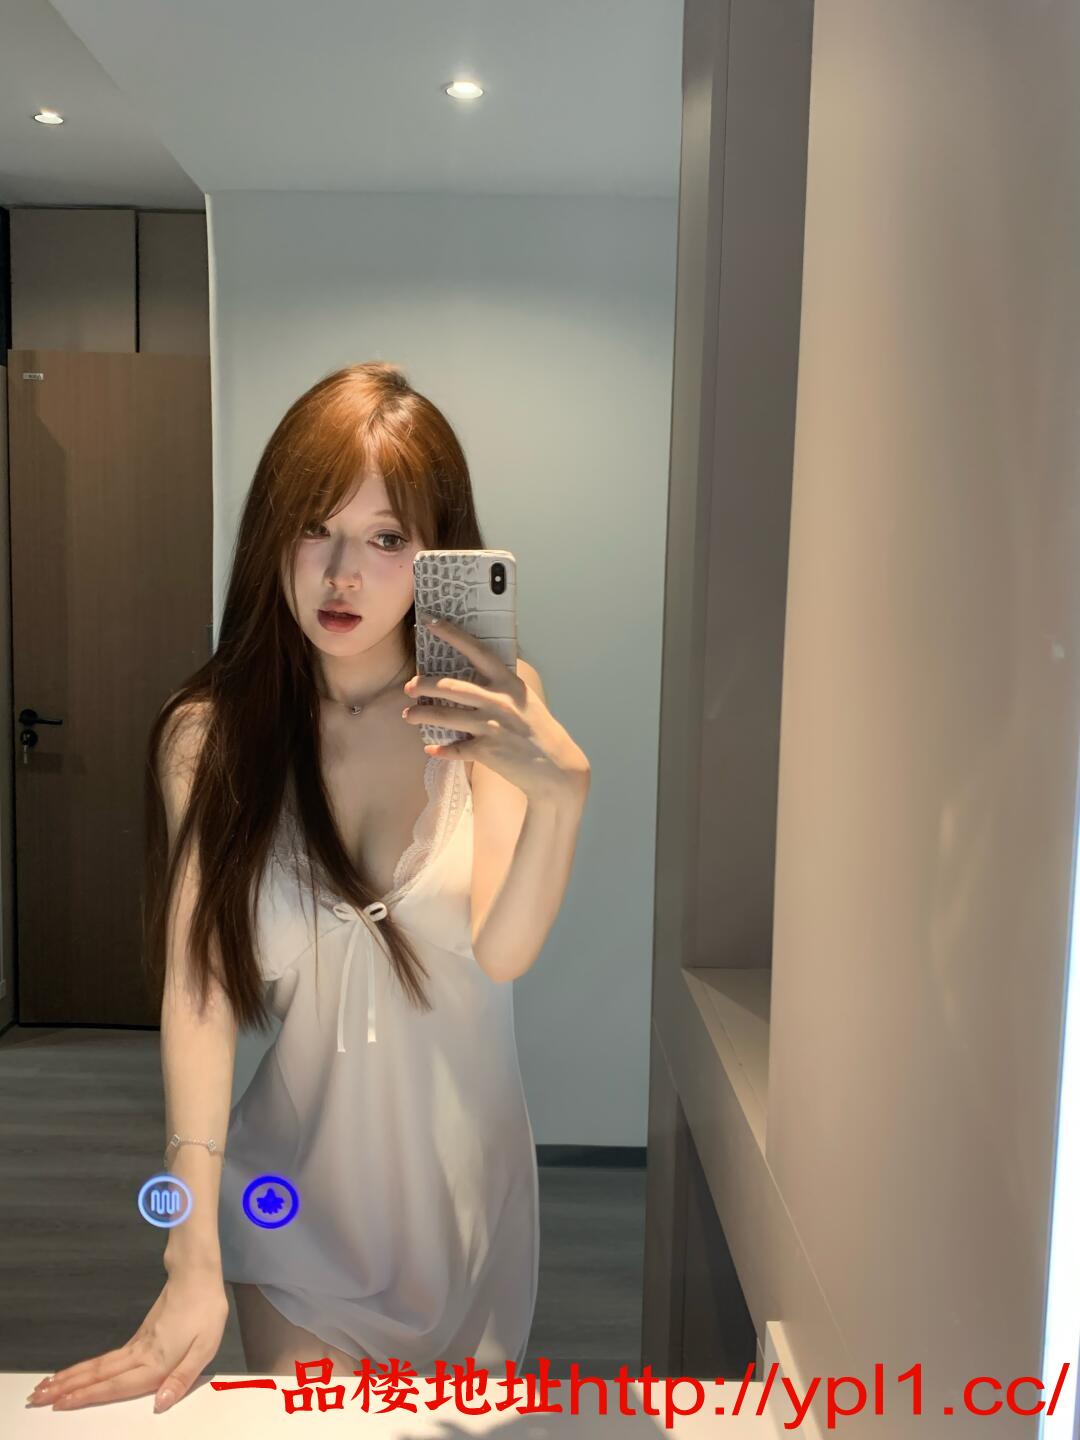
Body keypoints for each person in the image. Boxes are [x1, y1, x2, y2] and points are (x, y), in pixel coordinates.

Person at [26, 362, 590, 1414]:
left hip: (468, 1213)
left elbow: (502, 948)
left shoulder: (489, 709)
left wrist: (562, 797)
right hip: (292, 1214)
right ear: (270, 536)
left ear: (441, 551)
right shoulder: (210, 737)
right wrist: (190, 1253)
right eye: (314, 529)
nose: (342, 574)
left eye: (387, 538)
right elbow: (198, 994)